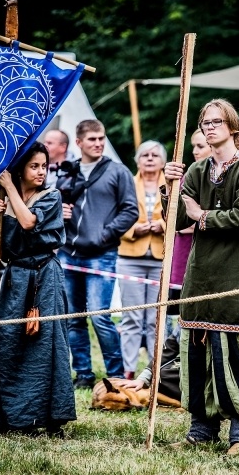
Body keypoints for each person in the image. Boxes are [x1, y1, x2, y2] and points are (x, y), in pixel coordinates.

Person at [162, 98, 239, 455]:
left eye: (216, 122)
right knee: (198, 353)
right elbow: (177, 222)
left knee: (235, 351)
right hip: (202, 275)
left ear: (232, 127)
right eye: (205, 122)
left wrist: (202, 214)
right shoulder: (195, 172)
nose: (209, 127)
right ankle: (202, 424)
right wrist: (170, 189)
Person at [0, 142, 75, 436]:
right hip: (15, 278)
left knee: (45, 344)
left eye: (43, 166)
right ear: (21, 169)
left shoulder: (51, 196)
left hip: (44, 278)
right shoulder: (2, 198)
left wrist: (9, 190)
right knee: (9, 340)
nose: (40, 171)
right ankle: (12, 417)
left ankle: (50, 418)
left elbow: (28, 221)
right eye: (34, 166)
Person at [56, 119, 138, 389]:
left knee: (99, 316)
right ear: (79, 143)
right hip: (68, 252)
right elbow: (56, 207)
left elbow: (130, 211)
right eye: (92, 139)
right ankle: (83, 375)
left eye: (101, 138)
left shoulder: (118, 171)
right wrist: (59, 214)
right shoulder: (67, 172)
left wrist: (104, 234)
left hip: (101, 253)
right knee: (73, 318)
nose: (98, 143)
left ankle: (115, 375)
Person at [117, 140, 167, 380]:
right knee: (132, 316)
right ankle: (128, 370)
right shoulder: (127, 182)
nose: (149, 158)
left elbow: (182, 215)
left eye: (155, 155)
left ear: (163, 161)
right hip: (130, 256)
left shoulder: (172, 184)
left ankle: (154, 371)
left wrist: (163, 225)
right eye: (144, 155)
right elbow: (115, 215)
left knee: (155, 318)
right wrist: (131, 230)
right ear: (137, 160)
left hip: (160, 257)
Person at [168, 129, 211, 306]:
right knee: (178, 306)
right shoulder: (188, 176)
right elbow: (173, 218)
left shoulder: (216, 177)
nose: (195, 151)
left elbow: (210, 219)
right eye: (193, 146)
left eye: (200, 146)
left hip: (206, 248)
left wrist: (191, 222)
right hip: (183, 248)